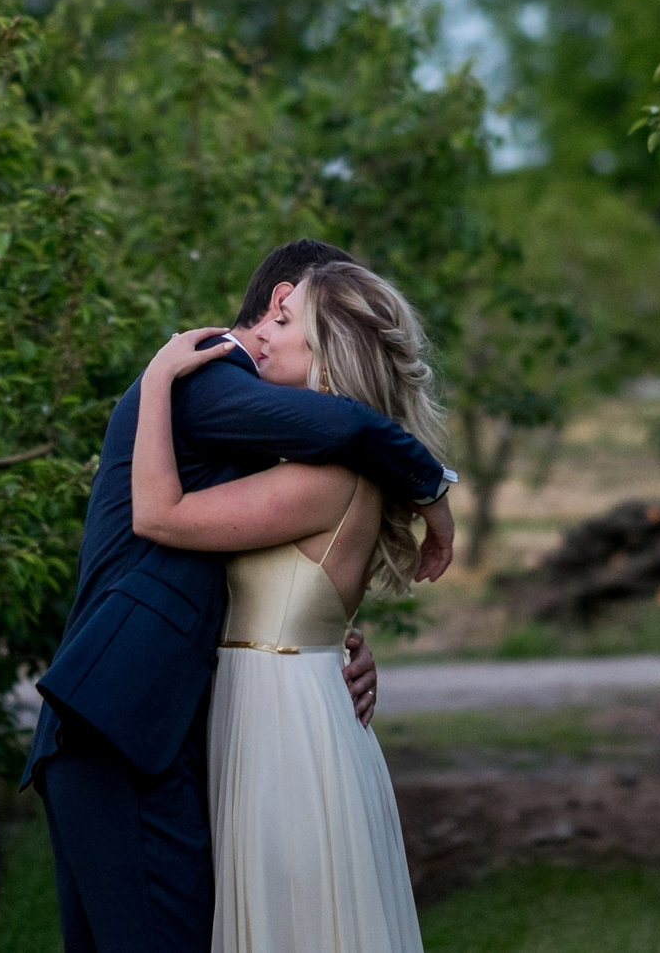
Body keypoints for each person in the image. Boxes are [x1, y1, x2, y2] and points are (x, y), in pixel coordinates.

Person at [29, 241, 458, 953]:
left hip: (152, 728)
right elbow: (345, 426)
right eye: (281, 317)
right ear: (279, 296)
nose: (268, 336)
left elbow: (281, 567)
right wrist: (431, 482)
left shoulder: (283, 445)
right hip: (121, 723)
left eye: (291, 325)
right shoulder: (204, 375)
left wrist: (325, 640)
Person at [133, 262, 441, 953]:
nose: (263, 334)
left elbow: (158, 513)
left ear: (328, 351)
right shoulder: (308, 464)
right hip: (277, 702)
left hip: (285, 726)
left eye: (284, 320)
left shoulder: (326, 475)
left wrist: (156, 381)